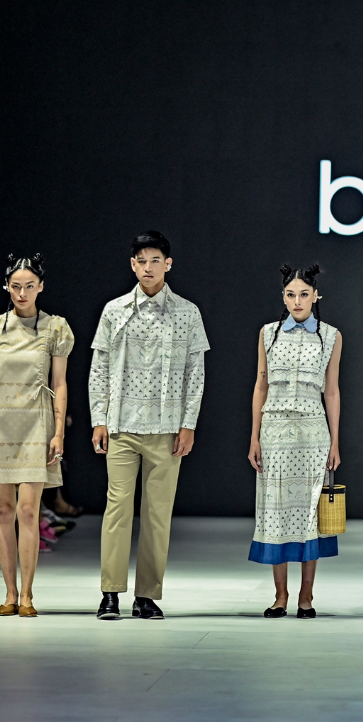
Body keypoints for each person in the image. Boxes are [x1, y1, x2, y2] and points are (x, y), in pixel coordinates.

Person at [90, 231, 209, 621]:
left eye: (155, 260)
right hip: (122, 426)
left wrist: (188, 424)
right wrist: (99, 419)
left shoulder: (187, 312)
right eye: (141, 261)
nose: (148, 267)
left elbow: (195, 374)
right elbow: (99, 369)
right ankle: (110, 593)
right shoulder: (114, 310)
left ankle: (146, 595)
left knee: (158, 514)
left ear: (168, 264)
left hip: (167, 428)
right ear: (132, 265)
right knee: (117, 510)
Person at [0, 254, 72, 617]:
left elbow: (60, 383)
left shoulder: (55, 328)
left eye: (29, 286)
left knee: (28, 510)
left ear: (41, 287)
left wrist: (58, 431)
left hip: (36, 425)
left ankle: (27, 594)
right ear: (6, 287)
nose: (22, 293)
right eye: (16, 286)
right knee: (3, 510)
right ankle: (10, 593)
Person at [247, 264, 343, 619]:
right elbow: (260, 386)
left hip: (313, 433)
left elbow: (331, 391)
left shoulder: (330, 335)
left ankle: (306, 596)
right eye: (291, 294)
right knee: (275, 509)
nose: (297, 301)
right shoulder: (268, 333)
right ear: (283, 297)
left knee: (309, 513)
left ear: (316, 295)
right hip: (273, 432)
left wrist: (335, 442)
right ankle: (280, 596)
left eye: (304, 294)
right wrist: (254, 436)